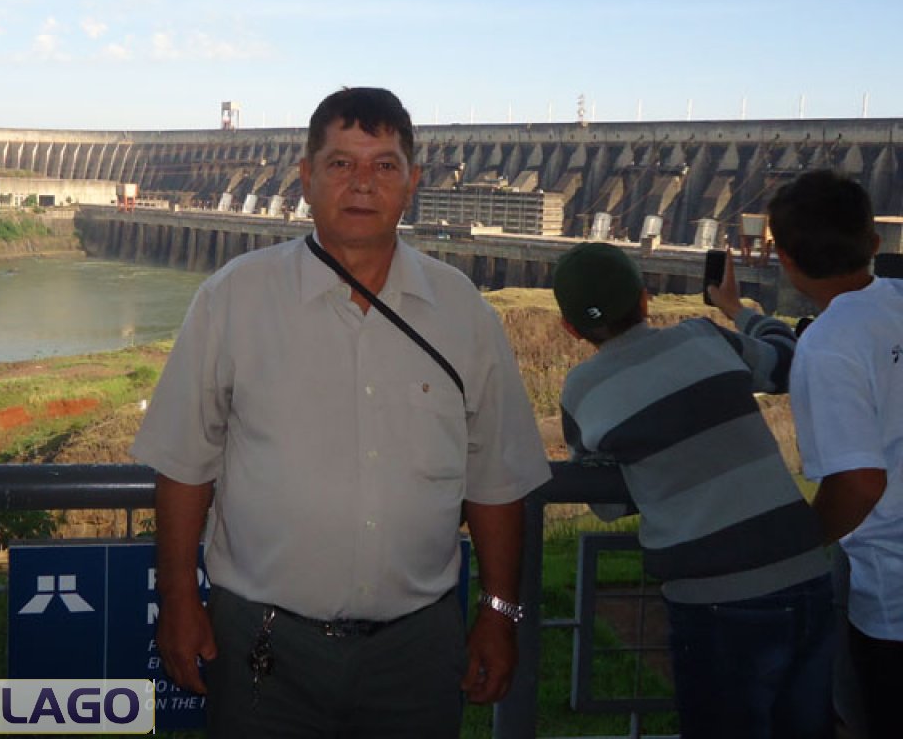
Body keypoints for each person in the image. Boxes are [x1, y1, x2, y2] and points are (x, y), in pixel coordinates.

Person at [131, 86, 551, 738]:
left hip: (418, 647)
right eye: (340, 164)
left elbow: (494, 475)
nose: (362, 184)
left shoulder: (462, 310)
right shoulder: (234, 299)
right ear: (305, 178)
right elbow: (186, 462)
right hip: (263, 644)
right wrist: (180, 598)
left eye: (383, 165)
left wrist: (499, 611)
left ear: (411, 183)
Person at [551, 241, 833, 739]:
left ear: (570, 329)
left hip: (714, 599)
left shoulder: (582, 389)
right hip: (807, 573)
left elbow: (610, 503)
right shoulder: (701, 336)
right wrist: (736, 309)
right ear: (644, 299)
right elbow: (788, 363)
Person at [767, 169, 903, 739]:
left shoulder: (826, 343)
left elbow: (859, 483)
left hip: (893, 599)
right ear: (875, 244)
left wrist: (798, 547)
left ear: (786, 261)